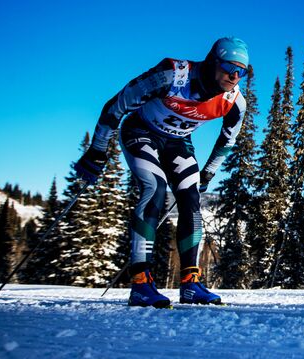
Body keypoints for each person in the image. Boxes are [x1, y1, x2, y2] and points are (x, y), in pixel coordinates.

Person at [74, 37, 249, 308]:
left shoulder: (234, 101)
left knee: (191, 200)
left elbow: (228, 140)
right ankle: (141, 284)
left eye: (242, 71)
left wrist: (209, 172)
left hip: (178, 142)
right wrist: (97, 150)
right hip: (141, 131)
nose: (235, 76)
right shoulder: (172, 75)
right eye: (229, 67)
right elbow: (116, 106)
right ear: (213, 62)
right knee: (154, 189)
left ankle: (191, 284)